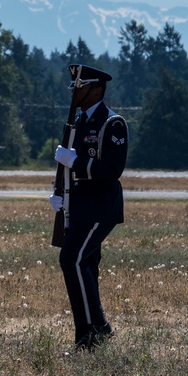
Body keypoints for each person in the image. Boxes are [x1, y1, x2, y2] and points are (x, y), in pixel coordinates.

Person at [49, 64, 127, 352]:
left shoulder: (112, 123)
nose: (74, 91)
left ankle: (89, 332)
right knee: (87, 265)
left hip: (101, 206)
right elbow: (66, 166)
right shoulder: (78, 121)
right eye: (73, 86)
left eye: (79, 86)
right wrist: (58, 193)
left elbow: (112, 169)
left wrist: (76, 162)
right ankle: (99, 327)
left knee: (73, 260)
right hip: (79, 205)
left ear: (97, 89)